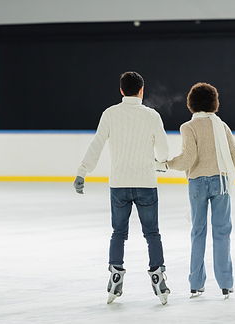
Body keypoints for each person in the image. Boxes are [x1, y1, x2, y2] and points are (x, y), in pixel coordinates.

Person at [73, 71, 171, 305]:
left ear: (121, 90)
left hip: (119, 184)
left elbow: (97, 144)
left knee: (118, 233)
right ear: (141, 90)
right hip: (146, 183)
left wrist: (82, 171)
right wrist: (159, 164)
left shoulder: (110, 114)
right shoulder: (152, 115)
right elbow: (165, 151)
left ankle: (116, 274)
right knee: (152, 233)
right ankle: (158, 276)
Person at [165, 82, 235, 299]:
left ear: (191, 104)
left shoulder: (188, 127)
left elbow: (187, 159)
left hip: (197, 183)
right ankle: (225, 283)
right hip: (220, 183)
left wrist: (167, 164)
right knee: (222, 233)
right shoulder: (220, 126)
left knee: (198, 233)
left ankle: (195, 283)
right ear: (214, 103)